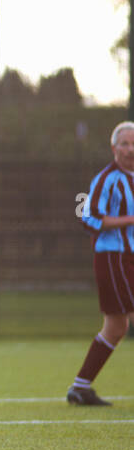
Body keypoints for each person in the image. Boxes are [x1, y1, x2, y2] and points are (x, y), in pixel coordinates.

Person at [70, 121, 134, 405]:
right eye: (124, 144)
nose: (130, 149)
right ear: (114, 148)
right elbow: (89, 218)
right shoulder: (107, 178)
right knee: (120, 324)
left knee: (116, 327)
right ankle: (80, 387)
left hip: (129, 256)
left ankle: (81, 387)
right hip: (114, 257)